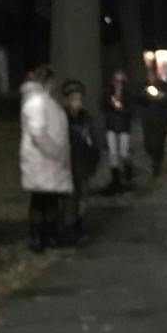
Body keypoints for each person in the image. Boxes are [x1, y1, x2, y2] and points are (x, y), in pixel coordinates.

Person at [18, 65, 73, 252]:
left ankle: (47, 235)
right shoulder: (37, 103)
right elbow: (38, 133)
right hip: (41, 159)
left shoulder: (43, 101)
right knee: (41, 199)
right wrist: (55, 151)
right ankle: (38, 238)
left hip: (46, 159)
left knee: (47, 199)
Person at [62, 80, 100, 244]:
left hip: (83, 162)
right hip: (69, 163)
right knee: (70, 199)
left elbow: (93, 141)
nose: (77, 103)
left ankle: (78, 225)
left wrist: (94, 158)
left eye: (79, 99)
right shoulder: (63, 119)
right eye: (73, 99)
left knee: (82, 197)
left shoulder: (86, 119)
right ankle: (70, 230)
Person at [102, 69, 135, 193]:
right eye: (116, 80)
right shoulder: (107, 92)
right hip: (111, 126)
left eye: (121, 81)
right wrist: (112, 105)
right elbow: (103, 106)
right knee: (113, 153)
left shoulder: (128, 94)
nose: (119, 83)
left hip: (123, 127)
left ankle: (127, 172)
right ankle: (116, 178)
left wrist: (122, 108)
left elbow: (131, 110)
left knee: (124, 152)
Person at [141, 73, 167, 177]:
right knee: (148, 143)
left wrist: (160, 95)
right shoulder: (144, 87)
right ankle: (155, 161)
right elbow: (139, 98)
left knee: (159, 143)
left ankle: (156, 166)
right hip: (148, 119)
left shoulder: (164, 86)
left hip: (161, 118)